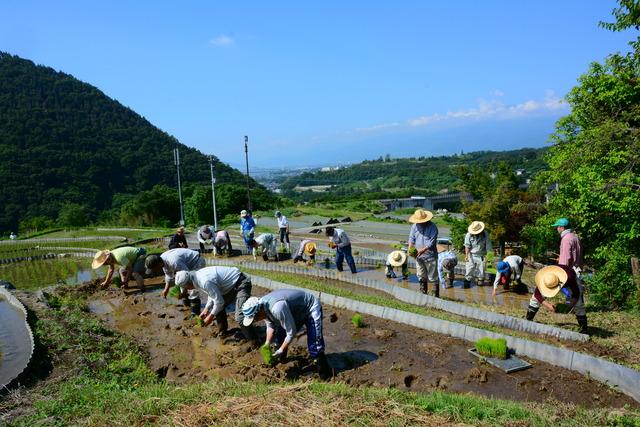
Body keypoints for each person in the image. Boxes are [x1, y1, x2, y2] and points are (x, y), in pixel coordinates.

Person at [241, 289, 331, 379]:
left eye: (255, 319)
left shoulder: (277, 308)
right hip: (294, 312)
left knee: (315, 346)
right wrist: (267, 343)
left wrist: (281, 350)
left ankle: (325, 376)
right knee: (280, 337)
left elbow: (291, 332)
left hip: (310, 308)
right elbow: (270, 325)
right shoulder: (261, 307)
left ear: (259, 312)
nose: (255, 321)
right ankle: (282, 362)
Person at [175, 268, 257, 343]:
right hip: (230, 286)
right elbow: (212, 295)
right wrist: (206, 309)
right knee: (217, 308)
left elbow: (219, 302)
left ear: (188, 283)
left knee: (239, 317)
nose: (187, 289)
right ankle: (224, 332)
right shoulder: (197, 278)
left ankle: (253, 341)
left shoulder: (204, 281)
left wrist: (210, 317)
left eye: (185, 287)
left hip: (241, 283)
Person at [525, 265, 588, 334]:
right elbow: (537, 295)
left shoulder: (569, 278)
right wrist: (549, 305)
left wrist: (568, 307)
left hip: (571, 278)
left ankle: (584, 329)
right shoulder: (545, 278)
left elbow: (576, 294)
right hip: (553, 279)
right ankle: (528, 319)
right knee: (534, 298)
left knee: (579, 304)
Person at [407, 209, 439, 296]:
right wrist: (410, 247)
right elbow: (411, 238)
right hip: (418, 256)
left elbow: (432, 242)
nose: (420, 223)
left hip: (430, 256)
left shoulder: (433, 227)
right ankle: (423, 294)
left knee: (433, 277)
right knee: (421, 275)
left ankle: (435, 296)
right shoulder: (414, 226)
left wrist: (423, 250)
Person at [464, 221, 492, 288]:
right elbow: (467, 246)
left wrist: (489, 258)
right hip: (471, 255)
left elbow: (489, 247)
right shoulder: (468, 235)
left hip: (482, 255)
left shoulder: (485, 234)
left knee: (481, 272)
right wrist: (466, 256)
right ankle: (467, 283)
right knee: (469, 270)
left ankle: (480, 283)